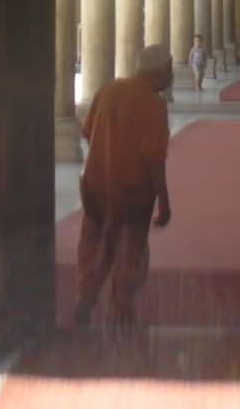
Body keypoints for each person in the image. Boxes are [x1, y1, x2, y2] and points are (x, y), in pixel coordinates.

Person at [75, 43, 174, 332]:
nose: (170, 77)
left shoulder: (107, 90)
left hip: (95, 187)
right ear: (157, 71)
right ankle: (120, 312)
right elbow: (155, 159)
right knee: (129, 253)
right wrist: (165, 202)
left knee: (94, 246)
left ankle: (86, 298)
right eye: (169, 71)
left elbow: (88, 133)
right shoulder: (153, 105)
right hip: (132, 194)